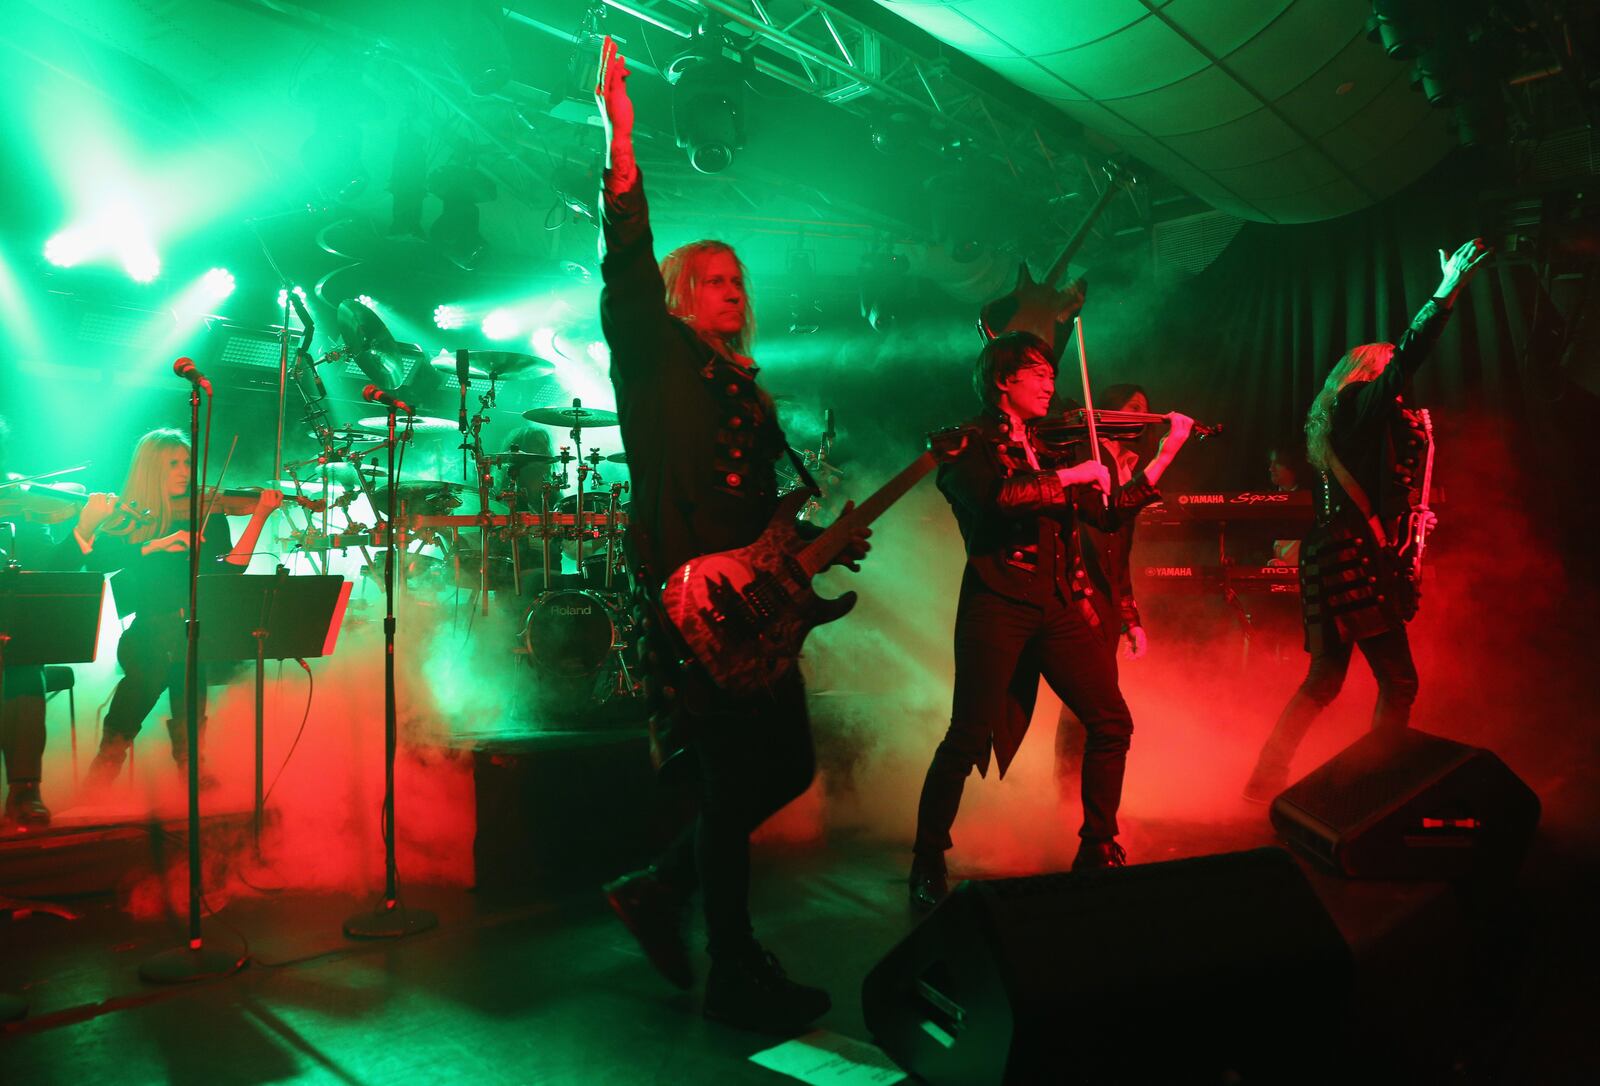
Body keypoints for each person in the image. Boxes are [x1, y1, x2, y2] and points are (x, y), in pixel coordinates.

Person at [592, 36, 869, 1033]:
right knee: (734, 770)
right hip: (692, 600)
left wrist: (808, 551)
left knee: (784, 765)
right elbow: (624, 271)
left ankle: (660, 889)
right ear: (678, 296)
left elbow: (757, 515)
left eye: (737, 278)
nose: (732, 288)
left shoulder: (747, 393)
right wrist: (620, 140)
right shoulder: (659, 359)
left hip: (752, 600)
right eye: (711, 278)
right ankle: (735, 963)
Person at [910, 333, 1193, 910]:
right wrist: (1072, 477)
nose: (1049, 384)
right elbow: (993, 500)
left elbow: (1109, 516)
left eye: (1049, 374)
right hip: (997, 603)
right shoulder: (966, 442)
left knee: (1110, 721)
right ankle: (927, 856)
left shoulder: (1050, 446)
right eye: (1035, 374)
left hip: (1058, 606)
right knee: (965, 736)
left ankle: (1097, 844)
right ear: (1002, 382)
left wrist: (1166, 453)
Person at [1242, 239, 1489, 804]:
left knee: (1323, 682)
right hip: (1352, 551)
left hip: (1328, 551)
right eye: (1384, 372)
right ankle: (1378, 790)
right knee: (1399, 681)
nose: (1393, 386)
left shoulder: (1337, 417)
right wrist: (1445, 293)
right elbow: (1409, 355)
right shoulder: (1359, 402)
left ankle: (1264, 781)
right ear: (1366, 371)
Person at [81, 429, 281, 789]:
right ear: (150, 469)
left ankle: (189, 766)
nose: (184, 471)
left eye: (187, 462)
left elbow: (230, 568)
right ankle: (116, 765)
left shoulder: (207, 512)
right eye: (172, 463)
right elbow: (101, 559)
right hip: (148, 631)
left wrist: (260, 515)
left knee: (191, 651)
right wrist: (156, 544)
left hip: (192, 630)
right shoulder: (132, 516)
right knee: (161, 653)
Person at [0, 417, 116, 827]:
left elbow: (53, 573)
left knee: (26, 668)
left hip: (8, 638)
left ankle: (25, 790)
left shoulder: (21, 507)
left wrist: (84, 528)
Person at [1052, 384, 1153, 789]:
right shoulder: (1084, 454)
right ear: (1108, 412)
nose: (1143, 417)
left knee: (1090, 704)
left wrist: (1130, 615)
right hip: (1078, 593)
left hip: (1106, 597)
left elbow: (1119, 554)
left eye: (1146, 410)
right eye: (1133, 408)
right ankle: (1067, 795)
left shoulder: (1128, 465)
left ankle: (1073, 796)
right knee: (1088, 703)